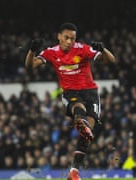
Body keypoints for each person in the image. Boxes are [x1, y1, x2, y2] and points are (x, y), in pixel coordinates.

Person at [25, 22, 116, 180]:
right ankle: (80, 121)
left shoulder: (82, 49)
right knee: (78, 109)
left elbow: (111, 60)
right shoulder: (51, 52)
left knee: (87, 135)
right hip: (70, 92)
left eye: (72, 38)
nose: (69, 41)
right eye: (66, 37)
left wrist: (103, 49)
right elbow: (30, 66)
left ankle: (74, 171)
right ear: (59, 36)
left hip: (91, 93)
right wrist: (32, 51)